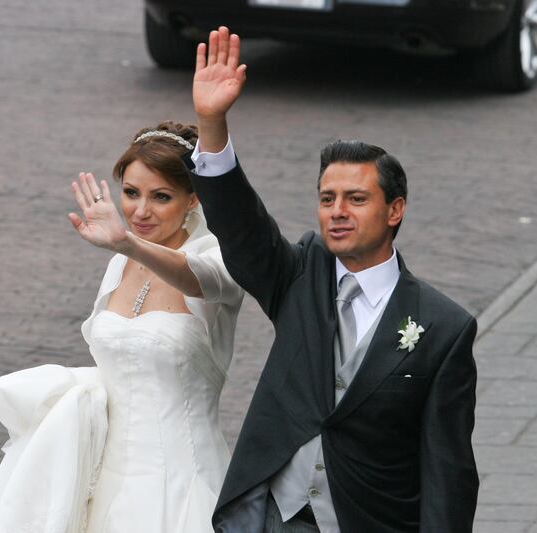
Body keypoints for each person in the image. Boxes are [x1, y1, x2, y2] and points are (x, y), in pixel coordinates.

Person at [189, 27, 479, 532]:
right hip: (272, 514)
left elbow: (447, 468)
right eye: (327, 199)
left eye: (356, 199)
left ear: (395, 210)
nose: (337, 212)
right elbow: (242, 230)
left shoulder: (443, 328)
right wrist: (212, 124)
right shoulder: (301, 271)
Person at [0, 121, 244, 533]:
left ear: (193, 199)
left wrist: (127, 242)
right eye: (131, 193)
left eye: (160, 197)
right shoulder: (117, 265)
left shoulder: (219, 261)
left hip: (183, 484)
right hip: (102, 480)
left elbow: (194, 278)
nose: (140, 212)